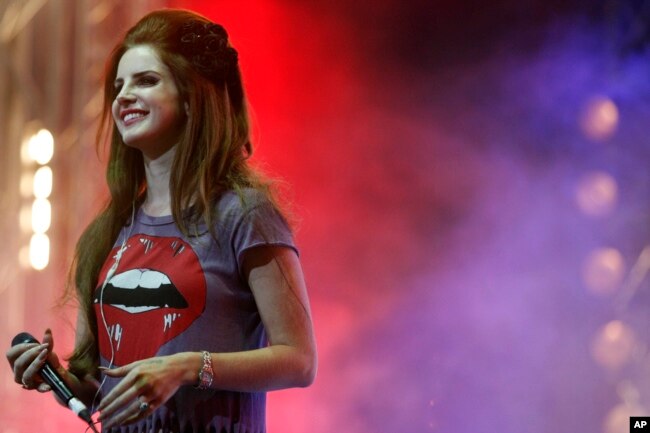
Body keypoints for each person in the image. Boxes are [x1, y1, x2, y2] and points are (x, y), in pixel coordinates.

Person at [6, 8, 317, 433]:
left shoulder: (244, 213)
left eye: (146, 80)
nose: (123, 97)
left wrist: (188, 367)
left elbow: (298, 360)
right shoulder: (108, 230)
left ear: (191, 97)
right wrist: (57, 376)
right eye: (118, 86)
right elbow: (101, 385)